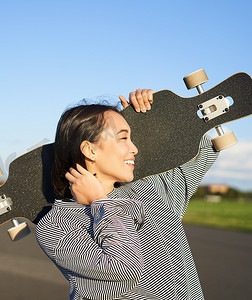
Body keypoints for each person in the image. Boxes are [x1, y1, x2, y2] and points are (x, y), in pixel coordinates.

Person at [35, 89, 219, 300]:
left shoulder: (149, 190)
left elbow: (206, 147)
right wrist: (100, 203)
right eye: (123, 138)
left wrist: (153, 117)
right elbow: (125, 268)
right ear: (90, 150)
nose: (135, 148)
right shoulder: (57, 225)